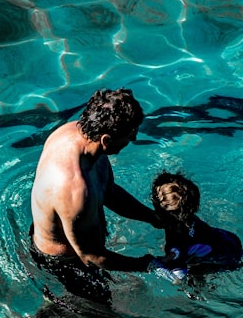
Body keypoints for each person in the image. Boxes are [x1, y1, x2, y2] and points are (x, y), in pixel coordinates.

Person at [29, 88, 170, 303]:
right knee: (99, 316)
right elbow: (91, 257)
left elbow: (110, 192)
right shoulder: (74, 189)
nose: (134, 137)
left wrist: (153, 217)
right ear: (106, 140)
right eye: (130, 133)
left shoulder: (79, 134)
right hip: (65, 261)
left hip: (80, 237)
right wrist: (148, 264)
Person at [150, 171, 243, 283]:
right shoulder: (186, 216)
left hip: (226, 259)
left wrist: (158, 265)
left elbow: (179, 278)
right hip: (228, 239)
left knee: (193, 278)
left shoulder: (176, 244)